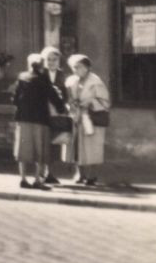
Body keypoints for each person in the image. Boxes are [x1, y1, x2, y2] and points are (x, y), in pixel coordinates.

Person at [12, 52, 64, 190]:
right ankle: (37, 180)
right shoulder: (43, 78)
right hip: (40, 119)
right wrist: (62, 108)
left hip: (23, 119)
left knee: (23, 149)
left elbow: (15, 99)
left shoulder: (22, 77)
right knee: (40, 150)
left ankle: (23, 179)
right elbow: (54, 97)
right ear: (42, 66)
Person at [65, 54, 111, 186]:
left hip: (92, 118)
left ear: (87, 67)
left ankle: (92, 175)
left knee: (92, 147)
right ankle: (80, 174)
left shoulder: (96, 82)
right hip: (77, 118)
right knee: (77, 148)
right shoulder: (70, 81)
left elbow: (105, 102)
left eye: (78, 67)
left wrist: (90, 103)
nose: (75, 70)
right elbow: (67, 98)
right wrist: (70, 104)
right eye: (73, 67)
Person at [41, 46, 71, 185]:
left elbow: (66, 95)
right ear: (44, 61)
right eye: (48, 59)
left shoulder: (62, 75)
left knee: (55, 142)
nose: (51, 62)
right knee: (43, 141)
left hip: (57, 113)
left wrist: (62, 101)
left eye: (54, 59)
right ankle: (42, 172)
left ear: (59, 61)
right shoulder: (40, 73)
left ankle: (50, 172)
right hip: (43, 113)